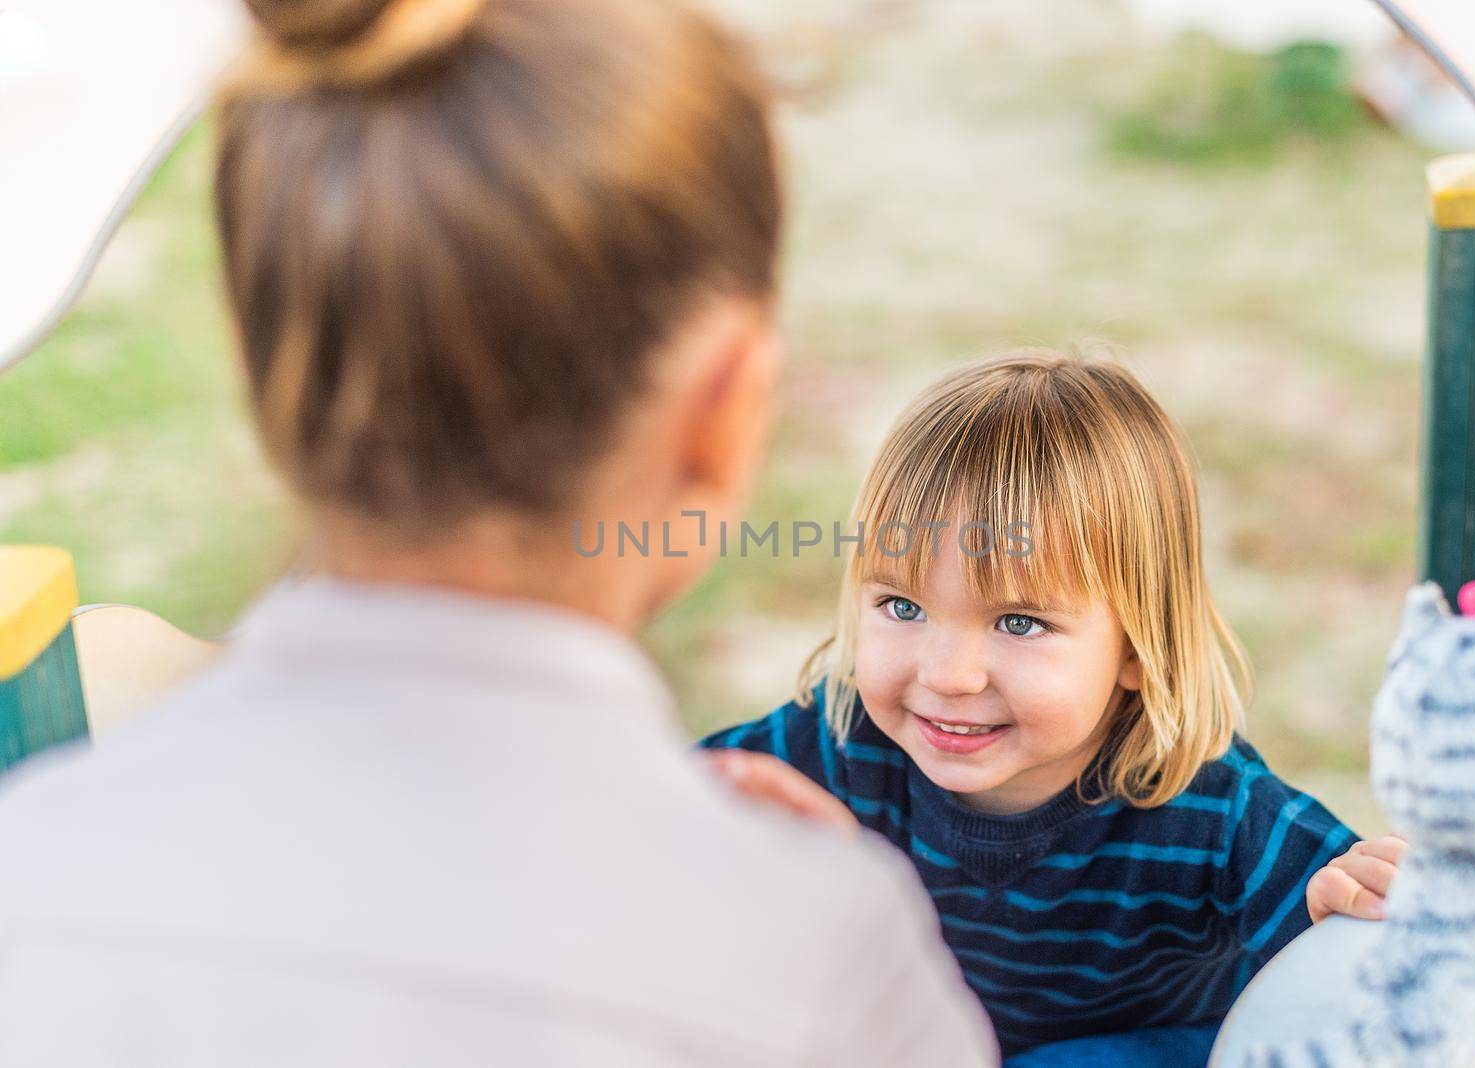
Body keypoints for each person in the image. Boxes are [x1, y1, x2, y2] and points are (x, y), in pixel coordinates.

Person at [0, 0, 999, 1063]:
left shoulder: (37, 878)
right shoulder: (823, 965)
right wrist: (808, 905)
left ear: (265, 380)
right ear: (723, 409)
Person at [701, 350, 1405, 1068]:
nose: (947, 675)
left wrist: (1344, 907)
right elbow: (650, 795)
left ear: (1138, 645)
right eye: (902, 605)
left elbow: (1378, 956)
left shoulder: (1216, 811)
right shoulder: (840, 745)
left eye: (1019, 622)